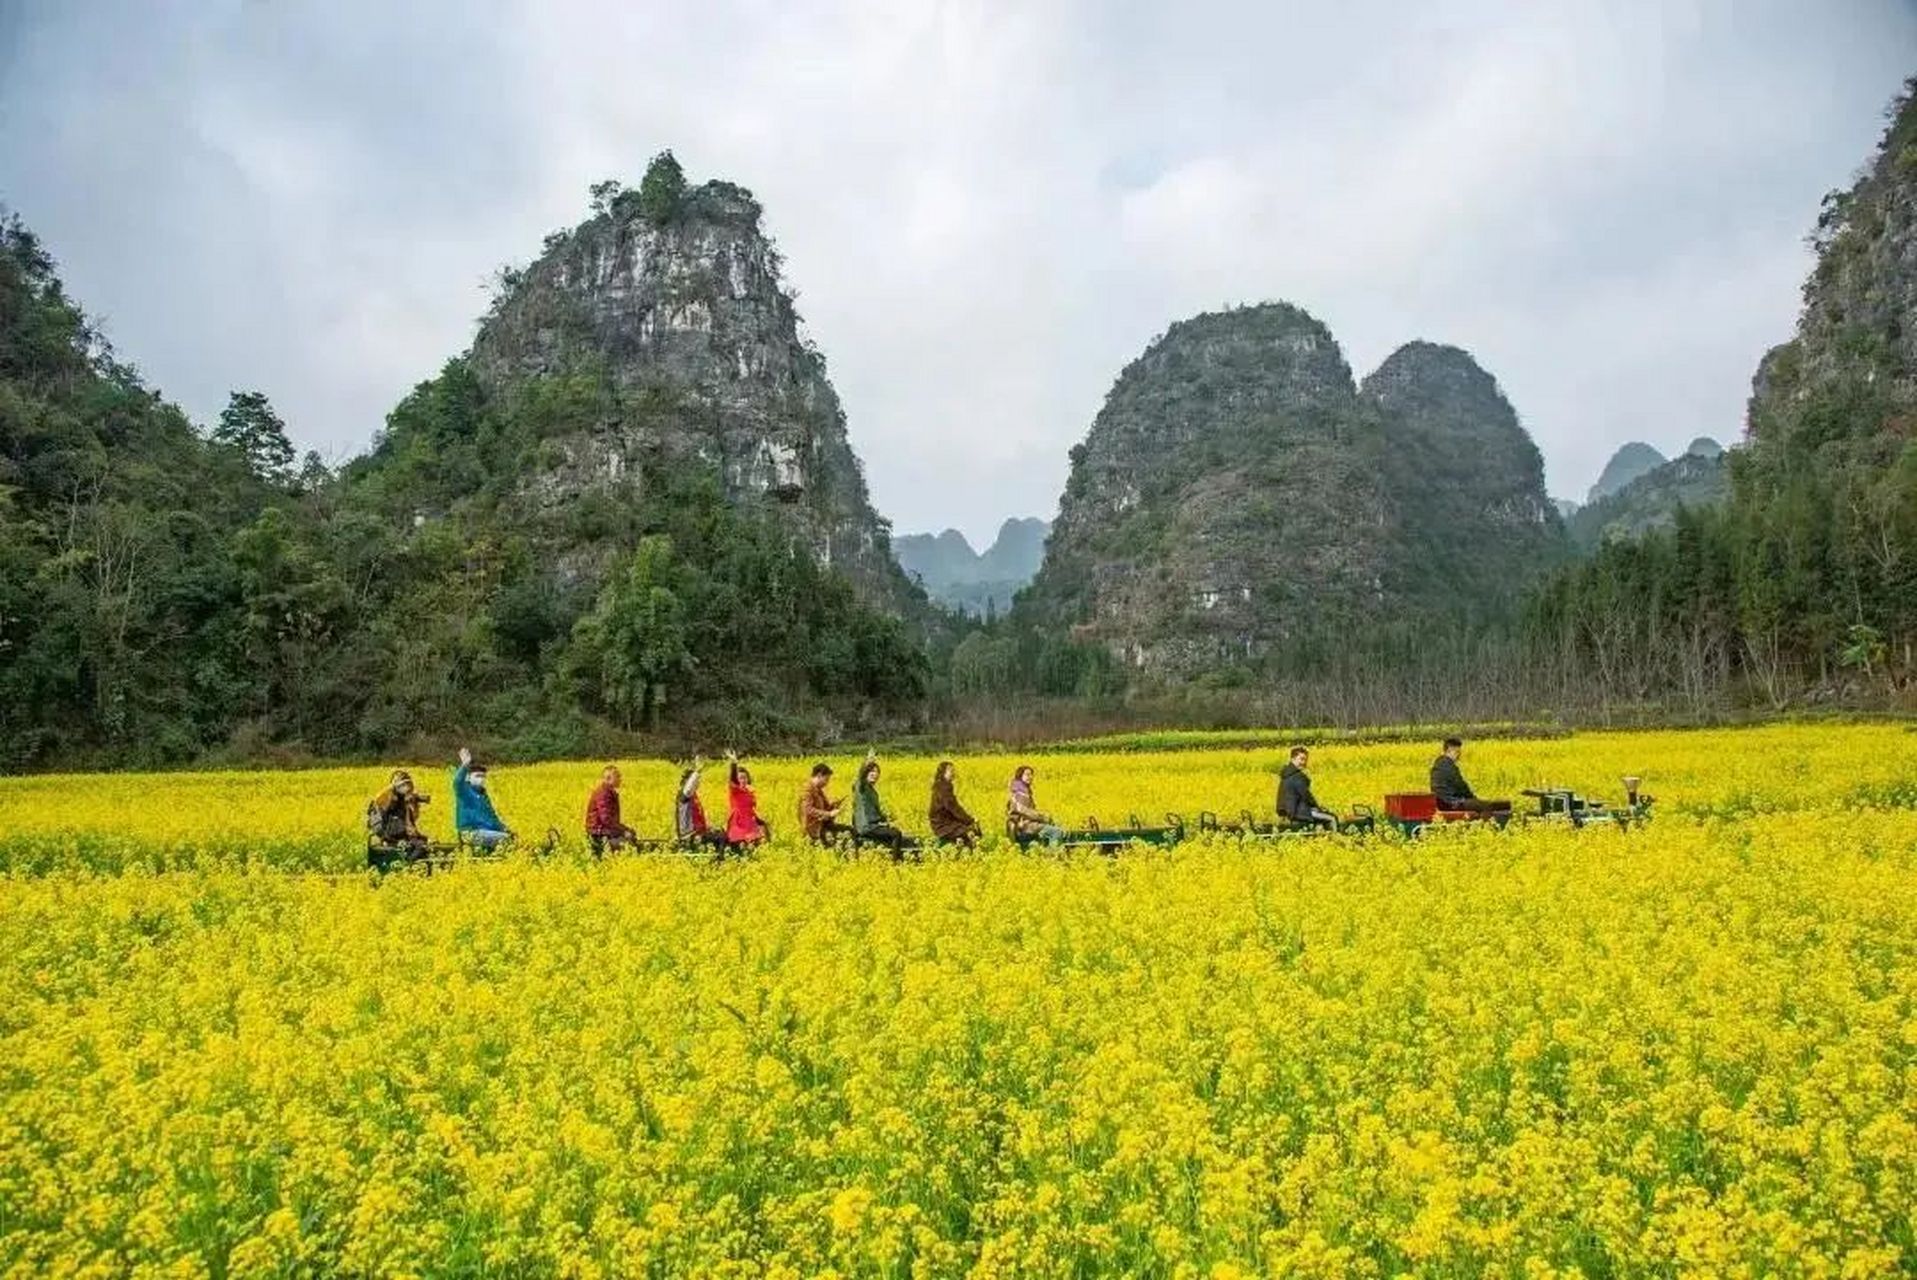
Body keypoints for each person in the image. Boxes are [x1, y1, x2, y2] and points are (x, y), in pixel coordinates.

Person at [852, 753, 917, 859]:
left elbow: (875, 812)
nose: (875, 774)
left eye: (877, 772)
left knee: (895, 834)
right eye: (872, 771)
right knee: (896, 834)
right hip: (866, 826)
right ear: (866, 773)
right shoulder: (861, 788)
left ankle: (890, 857)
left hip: (873, 825)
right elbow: (859, 777)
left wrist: (887, 819)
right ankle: (895, 862)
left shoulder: (873, 792)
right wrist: (867, 762)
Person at [1430, 737, 1512, 815]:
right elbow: (1460, 786)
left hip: (1444, 802)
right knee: (1486, 806)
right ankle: (1486, 827)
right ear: (1449, 750)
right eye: (1457, 752)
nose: (1459, 755)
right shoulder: (1448, 766)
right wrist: (1472, 798)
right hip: (1452, 803)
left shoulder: (1438, 764)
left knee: (1487, 803)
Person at [452, 747, 512, 852]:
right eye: (478, 776)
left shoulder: (484, 795)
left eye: (483, 776)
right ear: (469, 777)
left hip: (484, 832)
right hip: (471, 832)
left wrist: (505, 829)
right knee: (506, 839)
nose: (481, 779)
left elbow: (492, 819)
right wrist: (465, 765)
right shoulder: (465, 791)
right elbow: (457, 782)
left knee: (510, 838)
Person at [368, 770, 429, 857]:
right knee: (418, 847)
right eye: (403, 785)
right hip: (389, 834)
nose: (407, 788)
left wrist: (413, 803)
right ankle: (410, 862)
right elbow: (401, 822)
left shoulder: (400, 798)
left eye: (408, 784)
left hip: (393, 833)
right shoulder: (389, 798)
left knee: (421, 843)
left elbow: (412, 818)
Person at [1277, 745, 1340, 831]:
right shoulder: (1297, 776)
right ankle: (1337, 839)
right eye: (1301, 759)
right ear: (1293, 759)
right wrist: (1318, 807)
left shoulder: (1286, 775)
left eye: (1305, 760)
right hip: (1299, 811)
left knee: (1321, 817)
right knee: (1332, 818)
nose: (1304, 762)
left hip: (1289, 811)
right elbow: (1306, 796)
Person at [676, 756, 729, 851]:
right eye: (695, 782)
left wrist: (708, 828)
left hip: (699, 832)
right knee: (721, 837)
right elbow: (688, 788)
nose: (697, 783)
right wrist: (697, 771)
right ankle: (718, 861)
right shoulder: (684, 796)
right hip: (690, 834)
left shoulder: (694, 797)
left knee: (721, 832)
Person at [585, 764, 637, 856]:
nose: (620, 779)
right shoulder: (603, 793)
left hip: (604, 832)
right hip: (599, 834)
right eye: (617, 776)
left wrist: (626, 830)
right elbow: (606, 819)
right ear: (609, 778)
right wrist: (624, 831)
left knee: (632, 838)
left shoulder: (607, 791)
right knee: (629, 847)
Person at [1006, 765, 1066, 844]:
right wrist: (1043, 817)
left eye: (1031, 775)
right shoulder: (1020, 793)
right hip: (1024, 826)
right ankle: (1053, 855)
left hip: (1027, 824)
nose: (1030, 777)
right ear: (1020, 776)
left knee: (1057, 827)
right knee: (1056, 832)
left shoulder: (1023, 791)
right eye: (1027, 775)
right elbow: (1023, 811)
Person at [928, 760, 981, 847]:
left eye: (954, 770)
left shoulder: (941, 785)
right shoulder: (944, 788)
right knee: (971, 832)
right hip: (943, 824)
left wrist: (967, 820)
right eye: (951, 771)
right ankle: (967, 853)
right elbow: (953, 808)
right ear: (943, 773)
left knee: (968, 830)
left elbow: (954, 808)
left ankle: (963, 852)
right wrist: (969, 820)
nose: (954, 773)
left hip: (944, 822)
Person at [726, 752, 770, 848]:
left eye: (745, 777)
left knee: (759, 843)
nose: (743, 780)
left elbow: (753, 808)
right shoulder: (735, 790)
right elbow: (732, 780)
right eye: (740, 778)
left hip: (750, 822)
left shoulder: (750, 791)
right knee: (742, 845)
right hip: (738, 822)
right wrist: (734, 764)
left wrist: (760, 819)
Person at [799, 763, 850, 843]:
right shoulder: (807, 789)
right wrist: (829, 814)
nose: (827, 783)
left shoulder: (818, 790)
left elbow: (826, 808)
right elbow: (807, 809)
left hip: (822, 825)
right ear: (819, 776)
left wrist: (834, 805)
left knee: (848, 831)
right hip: (812, 830)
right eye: (826, 779)